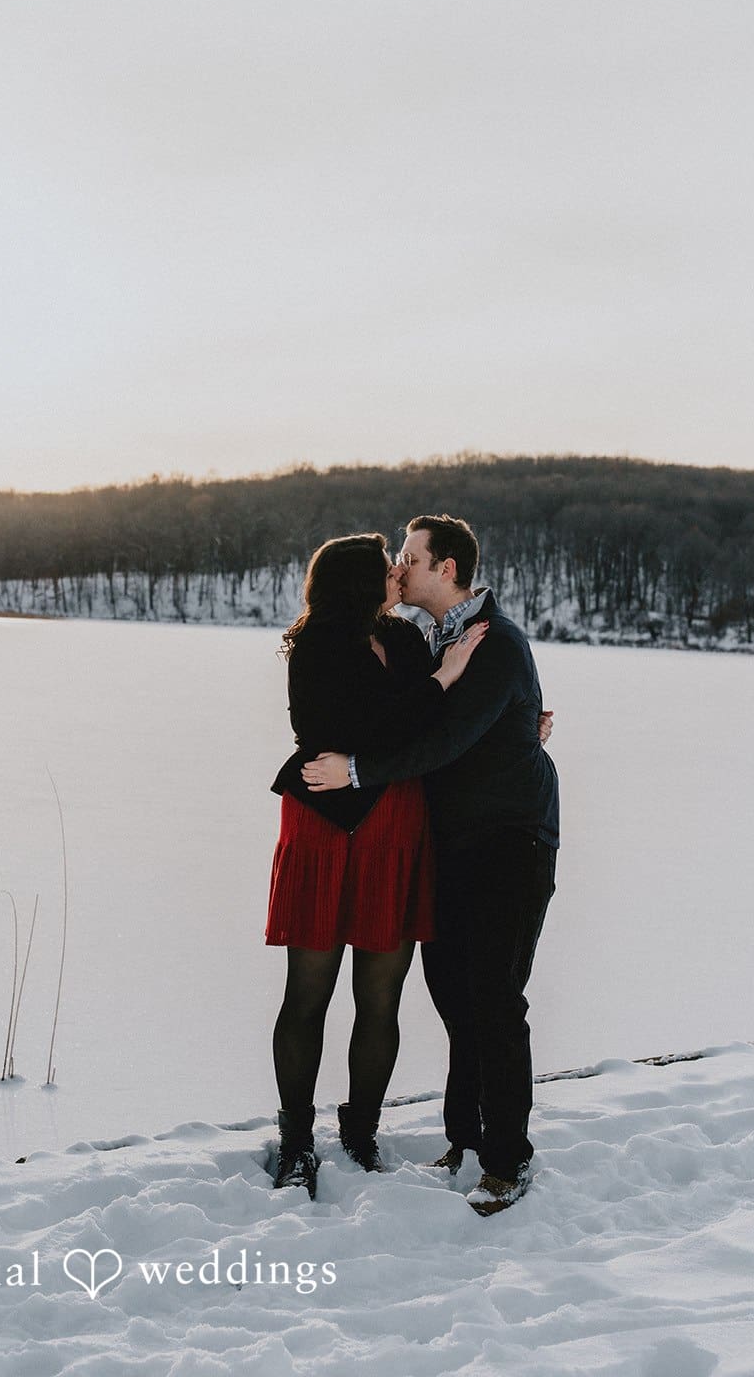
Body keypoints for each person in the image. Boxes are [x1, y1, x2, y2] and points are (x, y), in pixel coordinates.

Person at [303, 514, 559, 1217]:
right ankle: (465, 1139)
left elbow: (444, 740)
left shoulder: (494, 642)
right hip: (450, 843)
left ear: (445, 569)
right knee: (454, 998)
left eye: (411, 558)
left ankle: (507, 1161)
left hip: (511, 841)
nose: (400, 569)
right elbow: (411, 714)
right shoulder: (433, 640)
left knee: (496, 1002)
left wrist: (355, 770)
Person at [266, 532, 488, 1199]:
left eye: (402, 562)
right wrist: (440, 681)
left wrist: (516, 725)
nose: (398, 572)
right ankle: (296, 1140)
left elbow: (427, 729)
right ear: (358, 582)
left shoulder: (405, 640)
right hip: (323, 822)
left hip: (394, 821)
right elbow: (328, 725)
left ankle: (359, 1132)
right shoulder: (312, 644)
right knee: (307, 992)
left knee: (380, 996)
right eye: (386, 566)